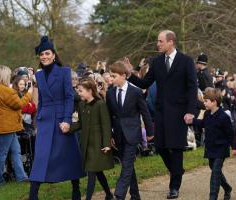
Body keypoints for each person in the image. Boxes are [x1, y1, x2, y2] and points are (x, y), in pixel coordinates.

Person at [126, 30, 198, 199]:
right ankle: (177, 171)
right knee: (160, 146)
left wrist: (190, 111)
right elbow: (145, 82)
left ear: (170, 42)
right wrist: (130, 74)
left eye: (160, 41)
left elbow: (192, 88)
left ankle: (174, 186)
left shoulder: (186, 61)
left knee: (176, 147)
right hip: (161, 112)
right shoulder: (156, 62)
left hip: (180, 112)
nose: (157, 44)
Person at [29, 36, 83, 200]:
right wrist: (38, 121)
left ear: (53, 55)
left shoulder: (64, 72)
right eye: (41, 54)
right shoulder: (38, 76)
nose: (44, 56)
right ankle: (33, 194)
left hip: (61, 120)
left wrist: (67, 119)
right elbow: (42, 101)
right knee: (40, 157)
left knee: (69, 155)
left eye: (47, 53)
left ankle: (76, 189)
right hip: (45, 122)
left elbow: (69, 97)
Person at [106, 61, 154, 200]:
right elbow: (109, 116)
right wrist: (110, 135)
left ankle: (119, 195)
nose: (111, 78)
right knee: (128, 166)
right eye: (110, 76)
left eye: (114, 76)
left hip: (133, 133)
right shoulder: (110, 93)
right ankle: (135, 195)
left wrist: (150, 132)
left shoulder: (136, 92)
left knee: (126, 165)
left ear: (123, 76)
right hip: (119, 135)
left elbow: (145, 113)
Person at [71, 77, 114, 200]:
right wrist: (68, 128)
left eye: (80, 91)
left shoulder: (100, 104)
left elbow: (106, 125)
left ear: (90, 91)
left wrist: (107, 143)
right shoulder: (81, 105)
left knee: (91, 172)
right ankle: (109, 194)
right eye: (78, 91)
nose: (78, 94)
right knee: (97, 171)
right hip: (86, 144)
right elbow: (80, 123)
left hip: (97, 145)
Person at [186, 87, 233, 200]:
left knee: (215, 173)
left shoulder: (224, 117)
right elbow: (203, 123)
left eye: (206, 101)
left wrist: (235, 147)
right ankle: (227, 188)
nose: (204, 103)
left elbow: (231, 133)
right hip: (210, 148)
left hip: (221, 148)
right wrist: (192, 121)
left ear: (214, 102)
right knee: (215, 170)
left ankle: (213, 197)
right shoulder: (207, 114)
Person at [0, 65, 32, 183]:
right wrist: (29, 93)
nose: (10, 76)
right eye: (8, 75)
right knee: (3, 153)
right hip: (6, 127)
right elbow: (18, 104)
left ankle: (21, 177)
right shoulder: (4, 90)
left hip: (5, 126)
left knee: (16, 151)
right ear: (4, 76)